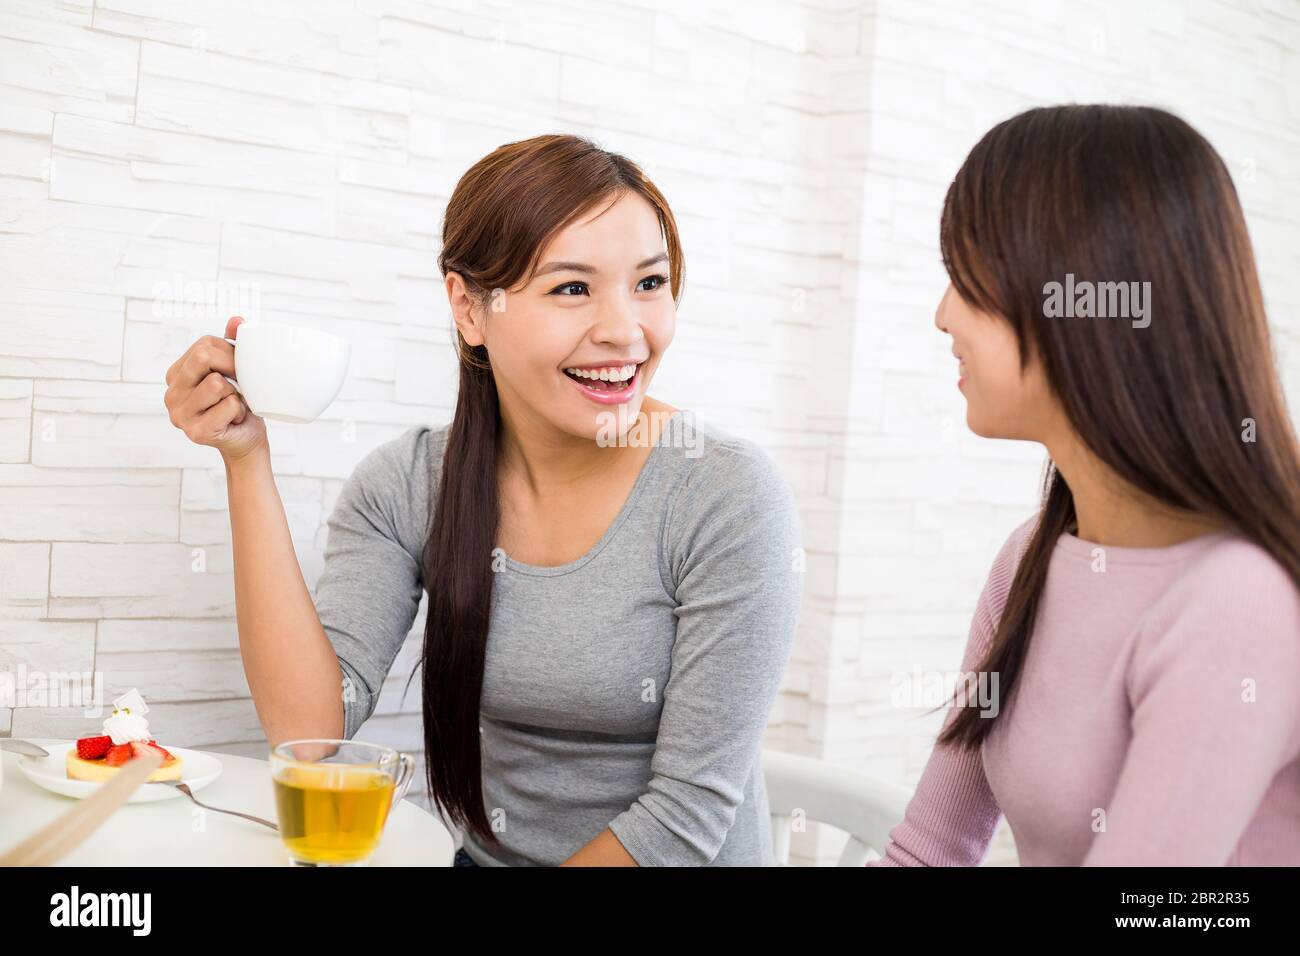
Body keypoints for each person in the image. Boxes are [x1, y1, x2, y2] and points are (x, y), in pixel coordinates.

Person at [164, 134, 803, 867]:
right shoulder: (408, 484)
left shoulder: (725, 495)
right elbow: (311, 736)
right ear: (469, 308)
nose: (625, 331)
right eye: (572, 287)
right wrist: (245, 459)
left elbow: (685, 814)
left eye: (649, 283)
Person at [869, 105, 1300, 866]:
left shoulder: (1239, 603)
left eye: (965, 279)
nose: (942, 318)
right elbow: (930, 848)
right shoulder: (1030, 561)